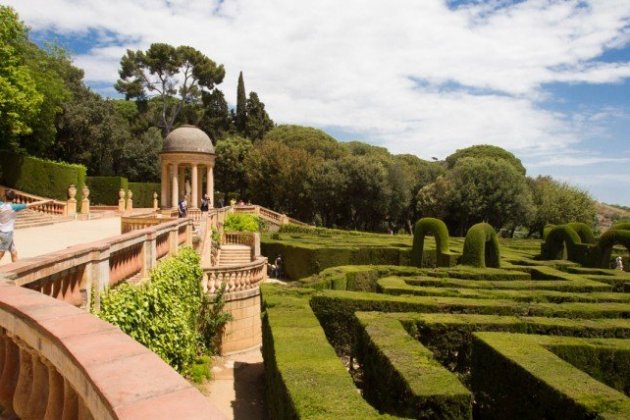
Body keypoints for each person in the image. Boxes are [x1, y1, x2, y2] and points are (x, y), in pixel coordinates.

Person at [0, 190, 53, 263]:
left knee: (14, 252)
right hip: (7, 233)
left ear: (5, 197)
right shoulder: (14, 207)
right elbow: (32, 204)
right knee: (1, 253)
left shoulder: (1, 205)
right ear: (13, 198)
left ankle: (17, 269)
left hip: (3, 232)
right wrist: (47, 201)